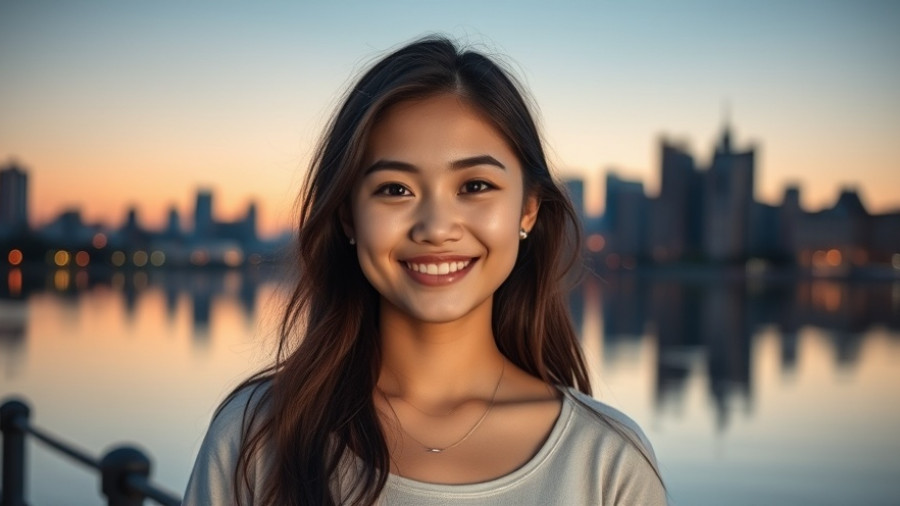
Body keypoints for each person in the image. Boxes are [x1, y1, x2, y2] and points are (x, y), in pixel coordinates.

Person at [184, 35, 667, 506]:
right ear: (350, 216)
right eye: (395, 190)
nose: (436, 228)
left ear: (528, 210)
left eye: (475, 185)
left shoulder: (608, 464)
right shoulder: (256, 435)